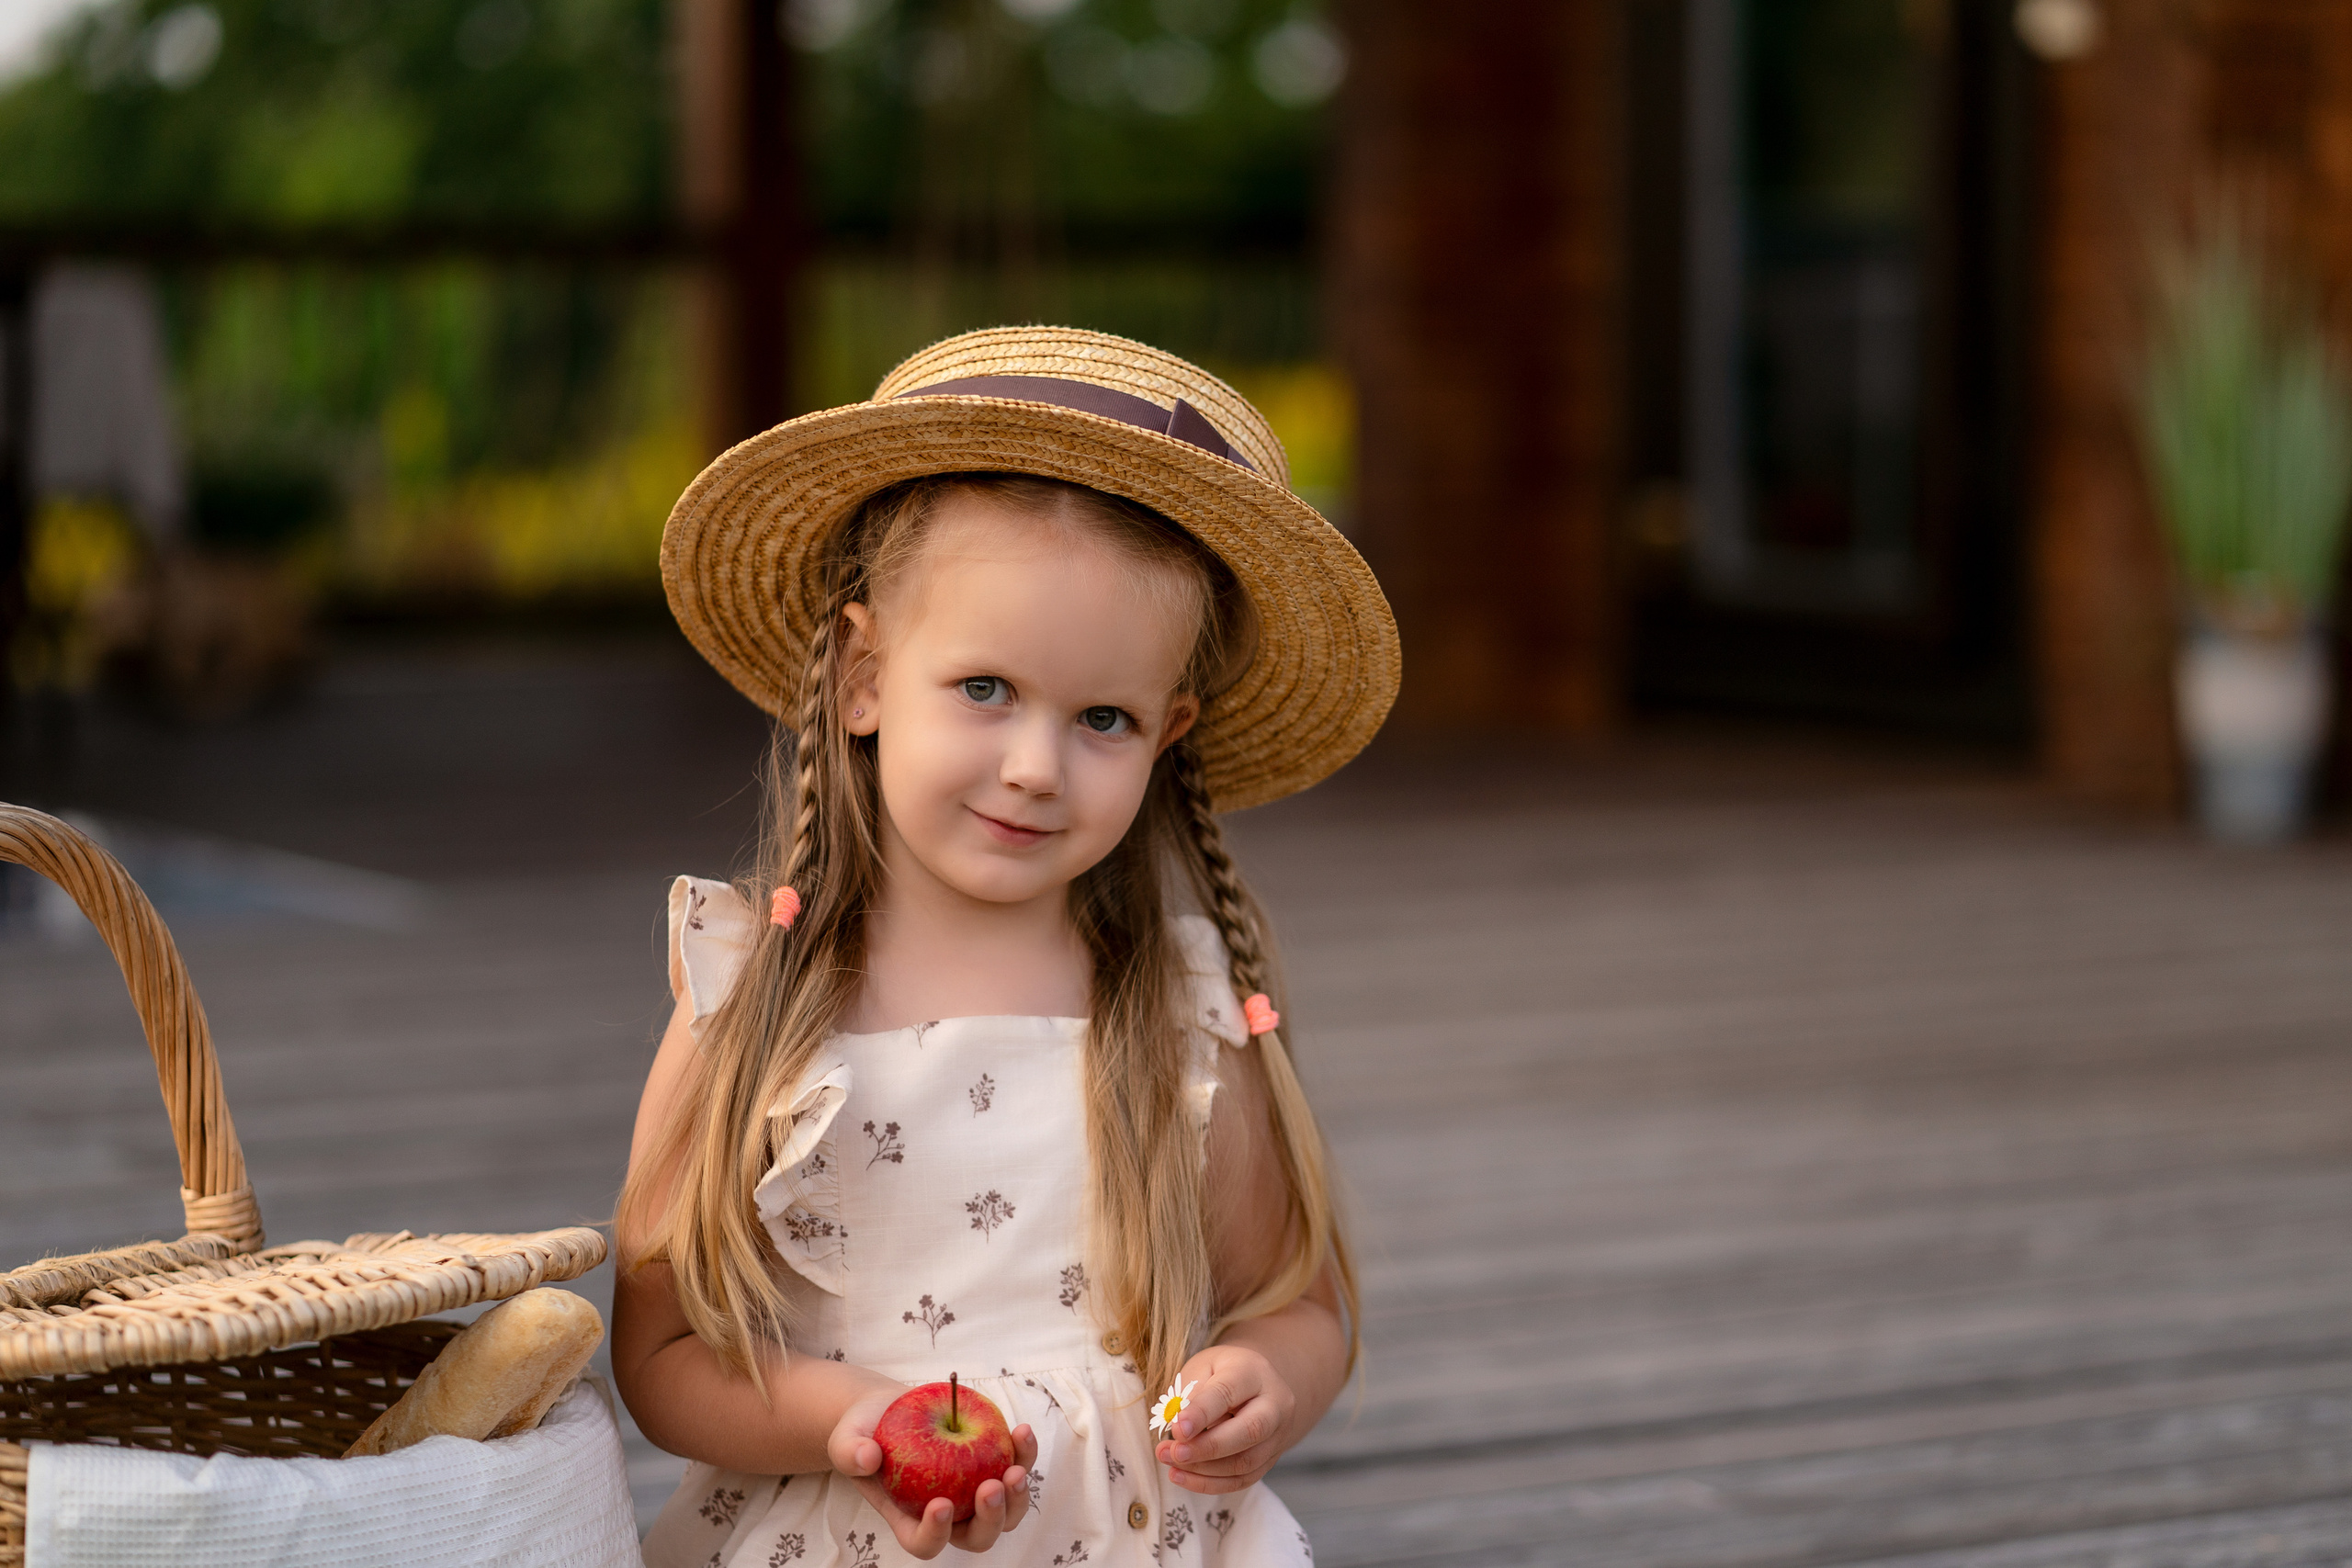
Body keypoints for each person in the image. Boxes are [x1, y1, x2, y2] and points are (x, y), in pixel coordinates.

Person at [616, 326, 1400, 1566]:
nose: (1036, 768)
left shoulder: (1178, 1015)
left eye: (1102, 717)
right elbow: (658, 1357)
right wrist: (853, 1420)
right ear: (866, 676)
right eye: (985, 689)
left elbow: (1295, 1301)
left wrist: (1261, 1379)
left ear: (1167, 732)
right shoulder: (754, 997)